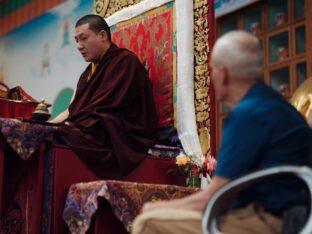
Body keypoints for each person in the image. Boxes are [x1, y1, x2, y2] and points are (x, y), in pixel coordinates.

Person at [131, 30, 312, 234]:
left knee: (148, 222)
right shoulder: (277, 106)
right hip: (291, 216)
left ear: (223, 73)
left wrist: (157, 207)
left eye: (212, 70)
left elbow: (216, 196)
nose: (211, 77)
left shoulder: (249, 113)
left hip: (269, 221)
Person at [50, 14, 158, 179]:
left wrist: (70, 124)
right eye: (76, 41)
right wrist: (46, 125)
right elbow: (73, 110)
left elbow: (106, 105)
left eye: (84, 38)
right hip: (91, 125)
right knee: (49, 134)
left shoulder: (125, 62)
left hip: (121, 135)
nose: (79, 46)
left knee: (69, 132)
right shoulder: (87, 74)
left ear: (102, 35)